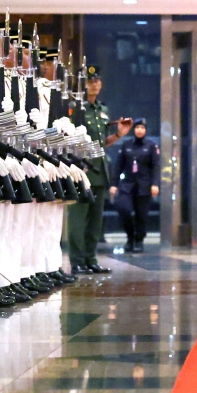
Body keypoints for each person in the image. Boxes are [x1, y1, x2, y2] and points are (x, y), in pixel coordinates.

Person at [67, 65, 127, 274]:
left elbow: (102, 143)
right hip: (82, 170)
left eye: (97, 81)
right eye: (90, 81)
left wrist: (119, 134)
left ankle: (91, 259)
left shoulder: (102, 110)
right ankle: (77, 261)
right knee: (78, 219)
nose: (94, 85)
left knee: (95, 220)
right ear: (83, 85)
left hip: (100, 170)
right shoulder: (74, 108)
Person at [110, 118, 159, 253]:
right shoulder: (126, 145)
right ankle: (130, 237)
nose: (139, 130)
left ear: (146, 130)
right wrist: (114, 184)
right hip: (128, 185)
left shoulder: (151, 146)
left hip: (144, 186)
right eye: (137, 127)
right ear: (134, 129)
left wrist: (155, 184)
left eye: (142, 128)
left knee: (141, 215)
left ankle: (139, 240)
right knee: (124, 209)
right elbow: (118, 166)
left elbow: (156, 167)